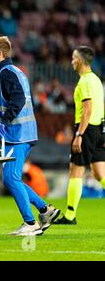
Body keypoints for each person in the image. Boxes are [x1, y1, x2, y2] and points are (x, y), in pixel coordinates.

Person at [0, 36, 60, 236]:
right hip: (22, 132)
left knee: (10, 178)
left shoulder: (6, 74)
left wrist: (4, 121)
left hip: (17, 133)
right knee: (12, 178)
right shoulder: (15, 72)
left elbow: (17, 100)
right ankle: (45, 210)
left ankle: (30, 222)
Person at [54, 46, 105, 225]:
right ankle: (70, 215)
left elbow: (87, 110)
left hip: (87, 129)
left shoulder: (84, 82)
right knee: (100, 174)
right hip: (99, 129)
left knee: (75, 171)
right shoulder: (97, 80)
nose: (72, 61)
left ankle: (69, 215)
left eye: (74, 58)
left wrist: (79, 135)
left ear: (81, 61)